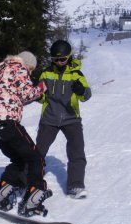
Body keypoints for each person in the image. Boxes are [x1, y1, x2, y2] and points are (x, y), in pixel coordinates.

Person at [0, 51, 52, 217]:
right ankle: (34, 198)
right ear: (28, 64)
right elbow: (28, 93)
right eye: (31, 69)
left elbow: (17, 97)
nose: (30, 73)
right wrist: (43, 86)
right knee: (36, 158)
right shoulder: (19, 68)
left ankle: (1, 194)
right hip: (7, 122)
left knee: (19, 159)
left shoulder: (3, 70)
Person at [36, 40, 92, 199]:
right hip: (49, 118)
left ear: (69, 57)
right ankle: (29, 180)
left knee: (77, 151)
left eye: (62, 59)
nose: (59, 62)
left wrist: (81, 90)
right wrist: (37, 95)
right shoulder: (46, 74)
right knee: (37, 152)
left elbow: (86, 96)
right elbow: (41, 99)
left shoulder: (76, 74)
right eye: (55, 59)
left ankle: (76, 185)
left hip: (71, 118)